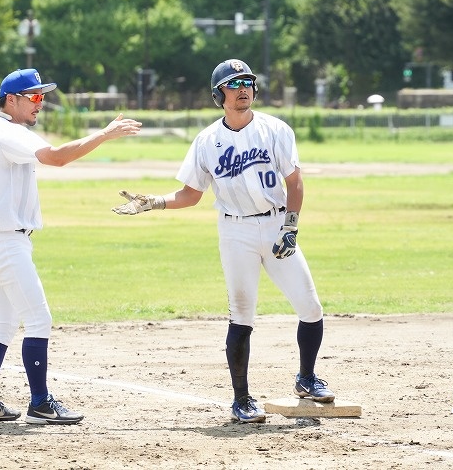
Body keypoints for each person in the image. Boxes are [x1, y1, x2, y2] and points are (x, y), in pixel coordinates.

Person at [111, 59, 334, 423]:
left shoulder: (275, 129)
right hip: (235, 232)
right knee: (242, 314)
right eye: (234, 84)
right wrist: (154, 202)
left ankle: (306, 378)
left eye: (247, 82)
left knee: (310, 307)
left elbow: (294, 182)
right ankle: (242, 399)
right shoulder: (206, 141)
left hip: (276, 223)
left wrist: (290, 227)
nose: (242, 89)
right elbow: (191, 193)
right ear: (219, 95)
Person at [0, 68, 142, 425]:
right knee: (38, 319)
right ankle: (40, 404)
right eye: (33, 96)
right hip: (6, 242)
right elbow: (58, 157)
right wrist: (104, 134)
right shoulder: (9, 133)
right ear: (10, 100)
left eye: (42, 97)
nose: (40, 103)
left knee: (4, 323)